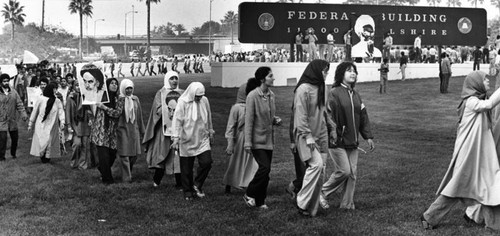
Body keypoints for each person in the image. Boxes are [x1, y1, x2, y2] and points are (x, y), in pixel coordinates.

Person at [421, 71, 500, 230]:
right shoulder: (471, 101)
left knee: (490, 186)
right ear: (476, 84)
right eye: (485, 79)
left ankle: (494, 225)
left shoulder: (476, 100)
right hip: (469, 155)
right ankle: (429, 217)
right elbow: (489, 104)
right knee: (456, 188)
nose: (488, 81)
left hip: (480, 154)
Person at [320, 61, 375, 210]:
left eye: (354, 71)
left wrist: (368, 136)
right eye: (349, 71)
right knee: (344, 171)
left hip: (353, 141)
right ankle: (322, 192)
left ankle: (347, 205)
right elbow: (329, 116)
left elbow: (363, 116)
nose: (353, 73)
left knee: (353, 174)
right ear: (341, 74)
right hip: (337, 141)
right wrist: (334, 135)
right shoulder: (334, 93)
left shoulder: (356, 95)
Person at [293, 59, 334, 217]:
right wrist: (308, 136)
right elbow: (300, 116)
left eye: (327, 71)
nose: (326, 74)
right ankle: (301, 201)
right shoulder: (303, 89)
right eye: (324, 71)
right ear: (316, 70)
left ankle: (312, 208)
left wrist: (332, 128)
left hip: (321, 134)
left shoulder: (323, 87)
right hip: (305, 136)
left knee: (321, 171)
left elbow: (324, 112)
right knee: (316, 165)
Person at [243, 67, 282, 209]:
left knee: (266, 171)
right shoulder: (252, 96)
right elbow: (249, 121)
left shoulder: (271, 95)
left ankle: (261, 201)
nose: (273, 78)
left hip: (268, 140)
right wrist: (248, 142)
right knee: (264, 168)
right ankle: (250, 192)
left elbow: (268, 116)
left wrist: (274, 120)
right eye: (271, 76)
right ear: (262, 79)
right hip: (256, 140)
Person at [171, 82, 214, 200]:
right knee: (186, 169)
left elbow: (209, 116)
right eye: (197, 96)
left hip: (201, 138)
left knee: (207, 162)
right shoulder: (183, 102)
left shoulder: (204, 101)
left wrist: (210, 130)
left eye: (201, 96)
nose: (199, 98)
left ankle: (197, 184)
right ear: (192, 93)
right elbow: (177, 120)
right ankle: (188, 191)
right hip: (186, 138)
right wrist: (175, 138)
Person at [143, 71, 183, 188]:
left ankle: (179, 183)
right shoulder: (160, 93)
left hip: (177, 131)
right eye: (172, 78)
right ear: (167, 80)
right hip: (164, 131)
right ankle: (157, 180)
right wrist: (167, 108)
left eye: (176, 78)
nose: (174, 81)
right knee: (163, 154)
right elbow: (157, 111)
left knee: (177, 156)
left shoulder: (182, 93)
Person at [223, 82, 258, 194]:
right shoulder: (237, 108)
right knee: (235, 162)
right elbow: (231, 126)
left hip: (253, 137)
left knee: (253, 163)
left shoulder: (255, 105)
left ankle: (248, 184)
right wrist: (230, 142)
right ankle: (229, 183)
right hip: (240, 138)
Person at [107, 79, 145, 182]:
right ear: (123, 88)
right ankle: (126, 178)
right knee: (124, 154)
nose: (129, 90)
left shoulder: (135, 99)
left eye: (130, 88)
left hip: (134, 129)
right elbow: (115, 114)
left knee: (134, 155)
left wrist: (142, 130)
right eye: (127, 88)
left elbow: (139, 115)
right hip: (122, 128)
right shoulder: (119, 99)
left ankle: (128, 171)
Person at [28, 82, 66, 163]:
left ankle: (47, 157)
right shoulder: (41, 99)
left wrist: (62, 121)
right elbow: (35, 111)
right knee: (42, 139)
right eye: (54, 89)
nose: (56, 91)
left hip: (52, 124)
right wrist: (31, 123)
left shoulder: (57, 101)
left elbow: (61, 111)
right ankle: (42, 154)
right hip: (41, 123)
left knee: (49, 140)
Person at [93, 78, 120, 184]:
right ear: (107, 85)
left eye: (116, 84)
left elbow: (117, 113)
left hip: (112, 132)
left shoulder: (118, 99)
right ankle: (108, 179)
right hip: (101, 131)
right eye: (112, 83)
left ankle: (102, 169)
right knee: (104, 156)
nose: (114, 85)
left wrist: (104, 107)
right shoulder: (101, 97)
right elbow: (88, 97)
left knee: (112, 154)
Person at [0, 74, 28, 161]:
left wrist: (23, 114)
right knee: (2, 139)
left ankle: (13, 154)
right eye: (4, 81)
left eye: (7, 81)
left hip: (12, 119)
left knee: (15, 138)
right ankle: (1, 157)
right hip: (1, 120)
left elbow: (19, 104)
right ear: (1, 82)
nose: (6, 83)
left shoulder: (14, 92)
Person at [66, 80, 92, 169]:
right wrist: (68, 124)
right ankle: (74, 162)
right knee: (77, 144)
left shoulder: (87, 97)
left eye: (80, 85)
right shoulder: (71, 98)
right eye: (76, 85)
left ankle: (83, 164)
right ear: (73, 86)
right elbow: (68, 112)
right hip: (76, 124)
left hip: (85, 123)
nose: (78, 87)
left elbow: (91, 110)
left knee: (85, 145)